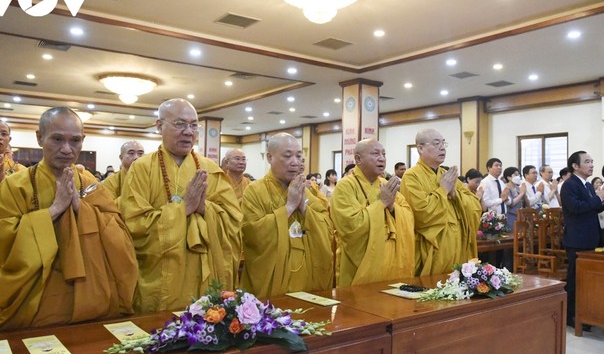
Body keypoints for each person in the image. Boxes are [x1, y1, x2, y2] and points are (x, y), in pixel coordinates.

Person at [0, 107, 138, 331]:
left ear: (83, 140)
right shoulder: (15, 185)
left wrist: (79, 207)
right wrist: (54, 210)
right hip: (39, 296)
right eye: (57, 139)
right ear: (40, 138)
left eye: (75, 141)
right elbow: (3, 238)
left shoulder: (89, 183)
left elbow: (120, 238)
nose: (67, 149)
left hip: (91, 292)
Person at [120, 98, 242, 313]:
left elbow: (233, 221)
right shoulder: (141, 169)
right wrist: (184, 209)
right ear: (159, 126)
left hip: (205, 270)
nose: (188, 131)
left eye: (194, 125)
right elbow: (133, 224)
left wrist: (204, 208)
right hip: (161, 273)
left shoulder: (211, 169)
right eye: (180, 124)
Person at [241, 133, 334, 298]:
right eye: (287, 156)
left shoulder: (305, 190)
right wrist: (289, 207)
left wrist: (304, 209)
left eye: (299, 156)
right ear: (270, 157)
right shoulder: (254, 191)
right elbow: (252, 234)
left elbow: (327, 229)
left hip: (309, 278)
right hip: (272, 277)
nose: (295, 162)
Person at [331, 139, 414, 286]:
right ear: (358, 159)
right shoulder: (346, 185)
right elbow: (350, 225)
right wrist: (381, 203)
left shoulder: (385, 184)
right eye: (375, 154)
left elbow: (408, 215)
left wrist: (391, 207)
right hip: (361, 263)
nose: (382, 158)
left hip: (391, 259)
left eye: (384, 154)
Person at [400, 129, 481, 275]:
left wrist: (455, 194)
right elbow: (421, 213)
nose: (442, 147)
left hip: (457, 242)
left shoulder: (447, 175)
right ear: (420, 148)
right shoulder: (411, 176)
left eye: (444, 143)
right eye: (436, 143)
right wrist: (443, 190)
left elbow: (475, 205)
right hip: (433, 246)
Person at [560, 151, 604, 328]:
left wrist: (602, 198)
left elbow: (595, 208)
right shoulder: (569, 185)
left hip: (591, 237)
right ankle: (570, 316)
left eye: (592, 161)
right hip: (577, 239)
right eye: (587, 162)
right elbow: (576, 208)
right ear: (575, 166)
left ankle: (586, 312)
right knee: (576, 279)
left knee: (588, 279)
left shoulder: (588, 185)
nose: (591, 165)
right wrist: (598, 198)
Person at [502, 166, 526, 232]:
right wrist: (522, 193)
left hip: (520, 216)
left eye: (518, 174)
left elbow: (525, 203)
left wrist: (524, 193)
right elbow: (511, 203)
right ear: (509, 177)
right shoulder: (506, 188)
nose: (518, 176)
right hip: (511, 216)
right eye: (515, 174)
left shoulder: (518, 188)